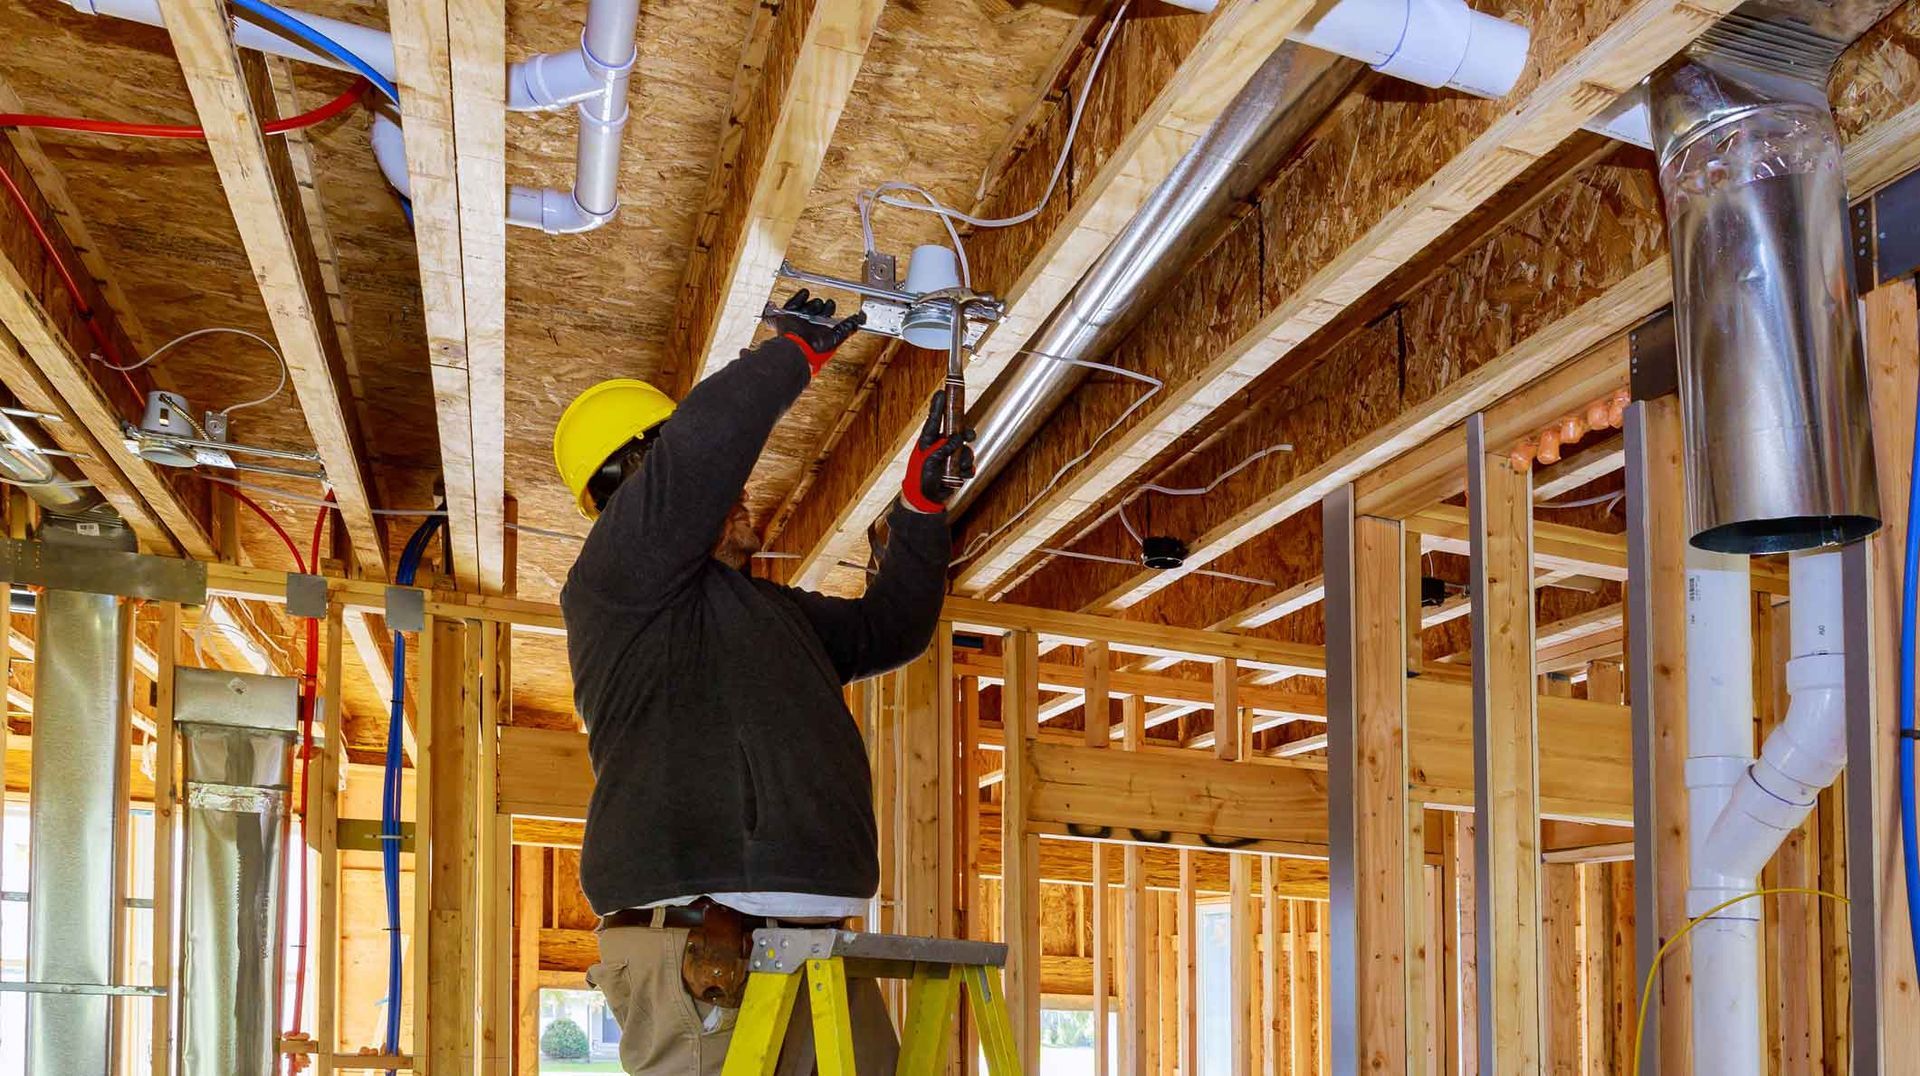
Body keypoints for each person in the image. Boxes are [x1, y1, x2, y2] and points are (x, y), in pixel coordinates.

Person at [552, 291, 975, 1074]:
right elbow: (700, 458)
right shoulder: (617, 589)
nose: (737, 487)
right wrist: (788, 355)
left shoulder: (776, 615)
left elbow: (893, 629)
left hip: (819, 955)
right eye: (697, 475)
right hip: (709, 952)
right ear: (643, 484)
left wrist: (919, 512)